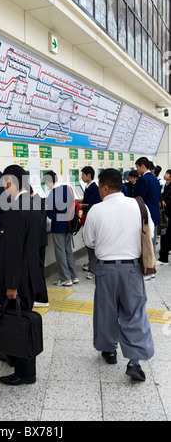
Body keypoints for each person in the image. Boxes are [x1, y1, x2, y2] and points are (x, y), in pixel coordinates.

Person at [83, 168, 154, 382]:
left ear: (104, 187)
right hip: (132, 269)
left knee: (106, 310)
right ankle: (134, 361)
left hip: (105, 269)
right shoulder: (139, 206)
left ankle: (109, 351)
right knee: (134, 313)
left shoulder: (96, 210)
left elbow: (89, 241)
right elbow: (148, 231)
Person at [0, 165, 43, 385]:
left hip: (19, 279)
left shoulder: (16, 209)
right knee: (22, 321)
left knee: (20, 325)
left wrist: (11, 285)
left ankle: (24, 373)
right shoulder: (33, 204)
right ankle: (16, 358)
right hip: (30, 274)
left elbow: (14, 252)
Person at [43, 170, 78, 286]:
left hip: (58, 226)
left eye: (46, 183)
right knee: (68, 251)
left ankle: (65, 279)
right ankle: (74, 276)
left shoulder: (52, 194)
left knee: (60, 252)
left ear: (49, 182)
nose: (47, 186)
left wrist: (48, 208)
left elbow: (51, 215)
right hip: (69, 224)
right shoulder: (67, 188)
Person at [135, 157, 161, 276]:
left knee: (145, 244)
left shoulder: (143, 179)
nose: (137, 170)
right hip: (155, 213)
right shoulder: (155, 179)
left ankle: (146, 270)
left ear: (143, 166)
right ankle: (152, 269)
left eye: (137, 167)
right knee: (152, 242)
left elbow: (139, 200)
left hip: (146, 216)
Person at [81, 166, 102, 279]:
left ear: (89, 175)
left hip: (91, 220)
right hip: (88, 218)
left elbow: (90, 204)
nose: (82, 177)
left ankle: (93, 269)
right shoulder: (89, 187)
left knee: (91, 245)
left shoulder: (94, 188)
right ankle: (92, 265)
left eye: (83, 175)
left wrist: (80, 205)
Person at [30, 186, 49, 307]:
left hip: (36, 241)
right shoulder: (40, 200)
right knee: (39, 269)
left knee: (37, 270)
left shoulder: (33, 203)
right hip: (41, 240)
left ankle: (42, 298)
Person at [157, 169, 171, 265]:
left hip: (168, 214)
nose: (165, 175)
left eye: (167, 173)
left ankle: (164, 258)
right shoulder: (165, 185)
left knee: (165, 235)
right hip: (166, 214)